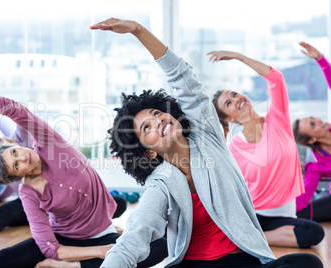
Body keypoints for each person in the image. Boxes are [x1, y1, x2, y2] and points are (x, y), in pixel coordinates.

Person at [90, 18, 323, 268]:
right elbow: (132, 240)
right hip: (194, 264)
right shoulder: (159, 184)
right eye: (146, 127)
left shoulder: (208, 137)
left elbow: (182, 77)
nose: (157, 121)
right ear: (147, 153)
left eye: (157, 113)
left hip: (243, 259)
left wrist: (138, 30)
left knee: (307, 263)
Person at [0, 85, 167, 268]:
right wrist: (101, 251)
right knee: (16, 254)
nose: (23, 158)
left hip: (103, 229)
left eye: (15, 152)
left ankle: (79, 266)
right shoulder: (28, 193)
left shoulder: (50, 144)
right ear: (15, 177)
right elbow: (53, 249)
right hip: (72, 240)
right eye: (16, 165)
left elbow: (15, 110)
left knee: (166, 245)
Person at [210, 48, 325, 248]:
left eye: (235, 94)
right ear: (228, 119)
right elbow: (226, 189)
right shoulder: (234, 149)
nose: (237, 99)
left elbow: (276, 78)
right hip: (256, 214)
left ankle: (245, 239)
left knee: (313, 233)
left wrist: (239, 56)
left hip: (287, 215)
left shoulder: (277, 119)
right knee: (313, 233)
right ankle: (244, 235)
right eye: (229, 103)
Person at [0, 134, 128, 241]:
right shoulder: (14, 174)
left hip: (76, 201)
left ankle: (100, 223)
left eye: (1, 142)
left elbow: (20, 112)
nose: (5, 145)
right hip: (42, 208)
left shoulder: (23, 137)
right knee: (9, 211)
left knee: (119, 203)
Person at [293, 41, 331, 221]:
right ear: (311, 140)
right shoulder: (316, 165)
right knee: (303, 213)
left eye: (313, 119)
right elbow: (305, 196)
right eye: (313, 125)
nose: (319, 121)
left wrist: (320, 59)